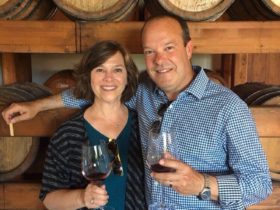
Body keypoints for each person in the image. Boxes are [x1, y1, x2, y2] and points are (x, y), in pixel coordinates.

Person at [2, 15, 272, 209]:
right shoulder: (144, 91)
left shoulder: (228, 107)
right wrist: (38, 105)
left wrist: (202, 184)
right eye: (150, 52)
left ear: (189, 49)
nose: (159, 60)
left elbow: (260, 185)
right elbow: (100, 91)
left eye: (169, 48)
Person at [37, 41, 145, 210]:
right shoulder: (67, 134)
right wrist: (82, 197)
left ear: (127, 77)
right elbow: (49, 199)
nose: (108, 78)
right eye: (100, 70)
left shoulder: (143, 127)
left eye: (117, 69)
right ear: (88, 78)